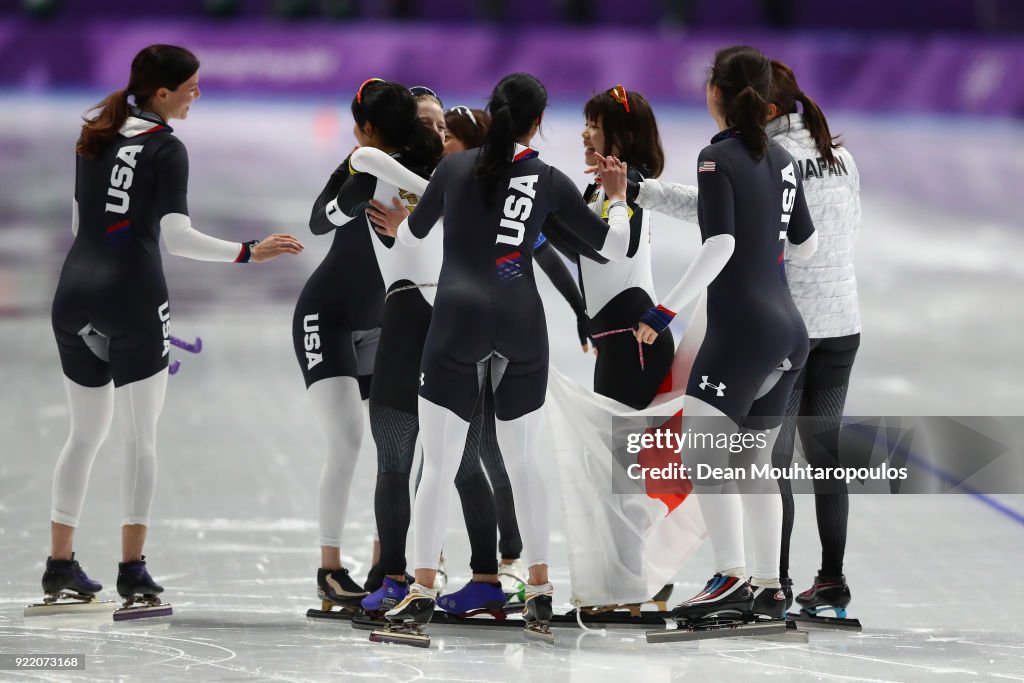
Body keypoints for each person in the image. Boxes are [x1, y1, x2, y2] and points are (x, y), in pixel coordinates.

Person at [371, 72, 635, 640]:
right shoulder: (550, 179)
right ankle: (538, 589)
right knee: (523, 464)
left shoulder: (454, 167)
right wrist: (617, 201)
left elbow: (414, 237)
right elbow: (612, 250)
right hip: (521, 321)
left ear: (493, 112)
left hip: (457, 319)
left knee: (437, 467)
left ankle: (420, 592)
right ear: (540, 122)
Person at [43, 44, 302, 616]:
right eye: (192, 86)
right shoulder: (167, 148)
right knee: (140, 440)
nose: (198, 94)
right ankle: (132, 574)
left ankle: (59, 567)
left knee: (83, 435)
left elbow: (79, 222)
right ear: (162, 93)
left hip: (72, 295)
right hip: (132, 300)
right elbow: (177, 238)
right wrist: (246, 253)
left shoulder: (95, 134)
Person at [625, 45, 818, 625]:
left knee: (705, 453)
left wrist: (664, 312)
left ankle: (731, 576)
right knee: (753, 465)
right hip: (788, 331)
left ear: (716, 93)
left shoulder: (717, 158)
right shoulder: (785, 159)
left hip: (743, 333)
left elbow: (721, 245)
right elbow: (807, 245)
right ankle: (768, 585)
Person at [293, 78, 446, 613]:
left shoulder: (434, 168)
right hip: (328, 313)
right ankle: (330, 568)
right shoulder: (360, 162)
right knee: (346, 441)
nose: (433, 128)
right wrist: (345, 203)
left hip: (389, 321)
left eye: (438, 121)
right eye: (425, 119)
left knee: (397, 444)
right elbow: (317, 221)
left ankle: (388, 563)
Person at [762, 60, 861, 618]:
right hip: (843, 326)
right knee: (826, 459)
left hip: (793, 329)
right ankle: (832, 581)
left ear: (768, 111)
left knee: (776, 460)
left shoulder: (776, 160)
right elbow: (850, 230)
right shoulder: (841, 157)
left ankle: (774, 582)